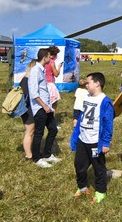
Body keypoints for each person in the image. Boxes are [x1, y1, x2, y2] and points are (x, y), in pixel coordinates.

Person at [70, 72, 113, 203]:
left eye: (89, 82)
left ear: (97, 83)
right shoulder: (87, 96)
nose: (86, 84)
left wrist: (105, 142)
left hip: (95, 141)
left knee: (98, 168)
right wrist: (76, 134)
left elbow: (108, 123)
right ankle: (82, 187)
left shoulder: (105, 102)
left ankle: (101, 191)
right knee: (79, 164)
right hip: (83, 139)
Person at [29, 48, 60, 168]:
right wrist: (44, 105)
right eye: (49, 56)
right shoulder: (35, 71)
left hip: (47, 107)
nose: (51, 58)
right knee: (39, 133)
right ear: (44, 58)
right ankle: (36, 158)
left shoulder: (40, 70)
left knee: (53, 129)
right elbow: (33, 92)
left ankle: (47, 154)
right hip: (40, 108)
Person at [19, 60, 37, 161]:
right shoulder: (26, 80)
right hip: (28, 110)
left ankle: (30, 151)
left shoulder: (26, 79)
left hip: (29, 109)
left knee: (31, 131)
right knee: (29, 132)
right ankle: (28, 155)